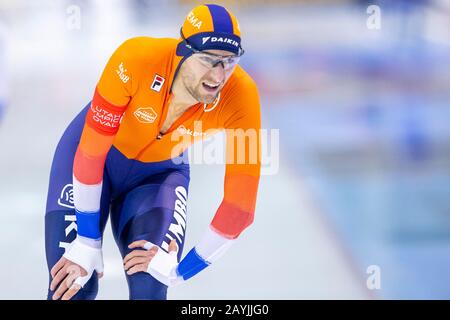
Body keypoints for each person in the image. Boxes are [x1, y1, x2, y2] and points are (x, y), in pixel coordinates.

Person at [45, 3, 261, 300]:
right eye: (209, 60)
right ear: (182, 52)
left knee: (151, 284)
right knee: (73, 285)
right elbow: (92, 154)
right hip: (91, 159)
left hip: (159, 176)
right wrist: (86, 238)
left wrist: (182, 271)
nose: (219, 74)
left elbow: (240, 207)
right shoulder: (135, 59)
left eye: (230, 61)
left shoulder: (242, 96)